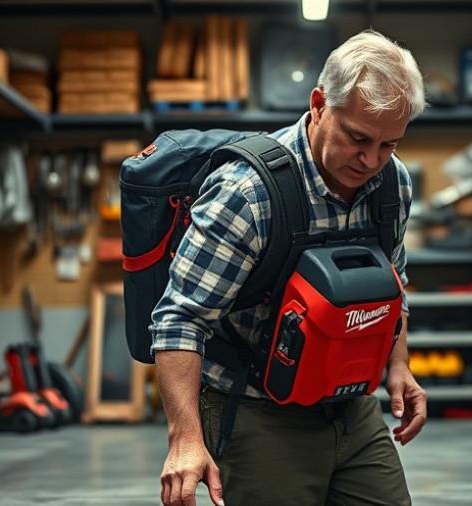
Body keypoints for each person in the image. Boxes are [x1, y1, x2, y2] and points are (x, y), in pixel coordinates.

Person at [150, 28, 427, 506]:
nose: (371, 160)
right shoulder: (247, 195)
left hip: (348, 402)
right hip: (255, 408)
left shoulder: (391, 185)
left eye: (389, 145)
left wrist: (398, 365)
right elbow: (179, 319)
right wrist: (185, 439)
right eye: (358, 138)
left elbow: (392, 283)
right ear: (319, 104)